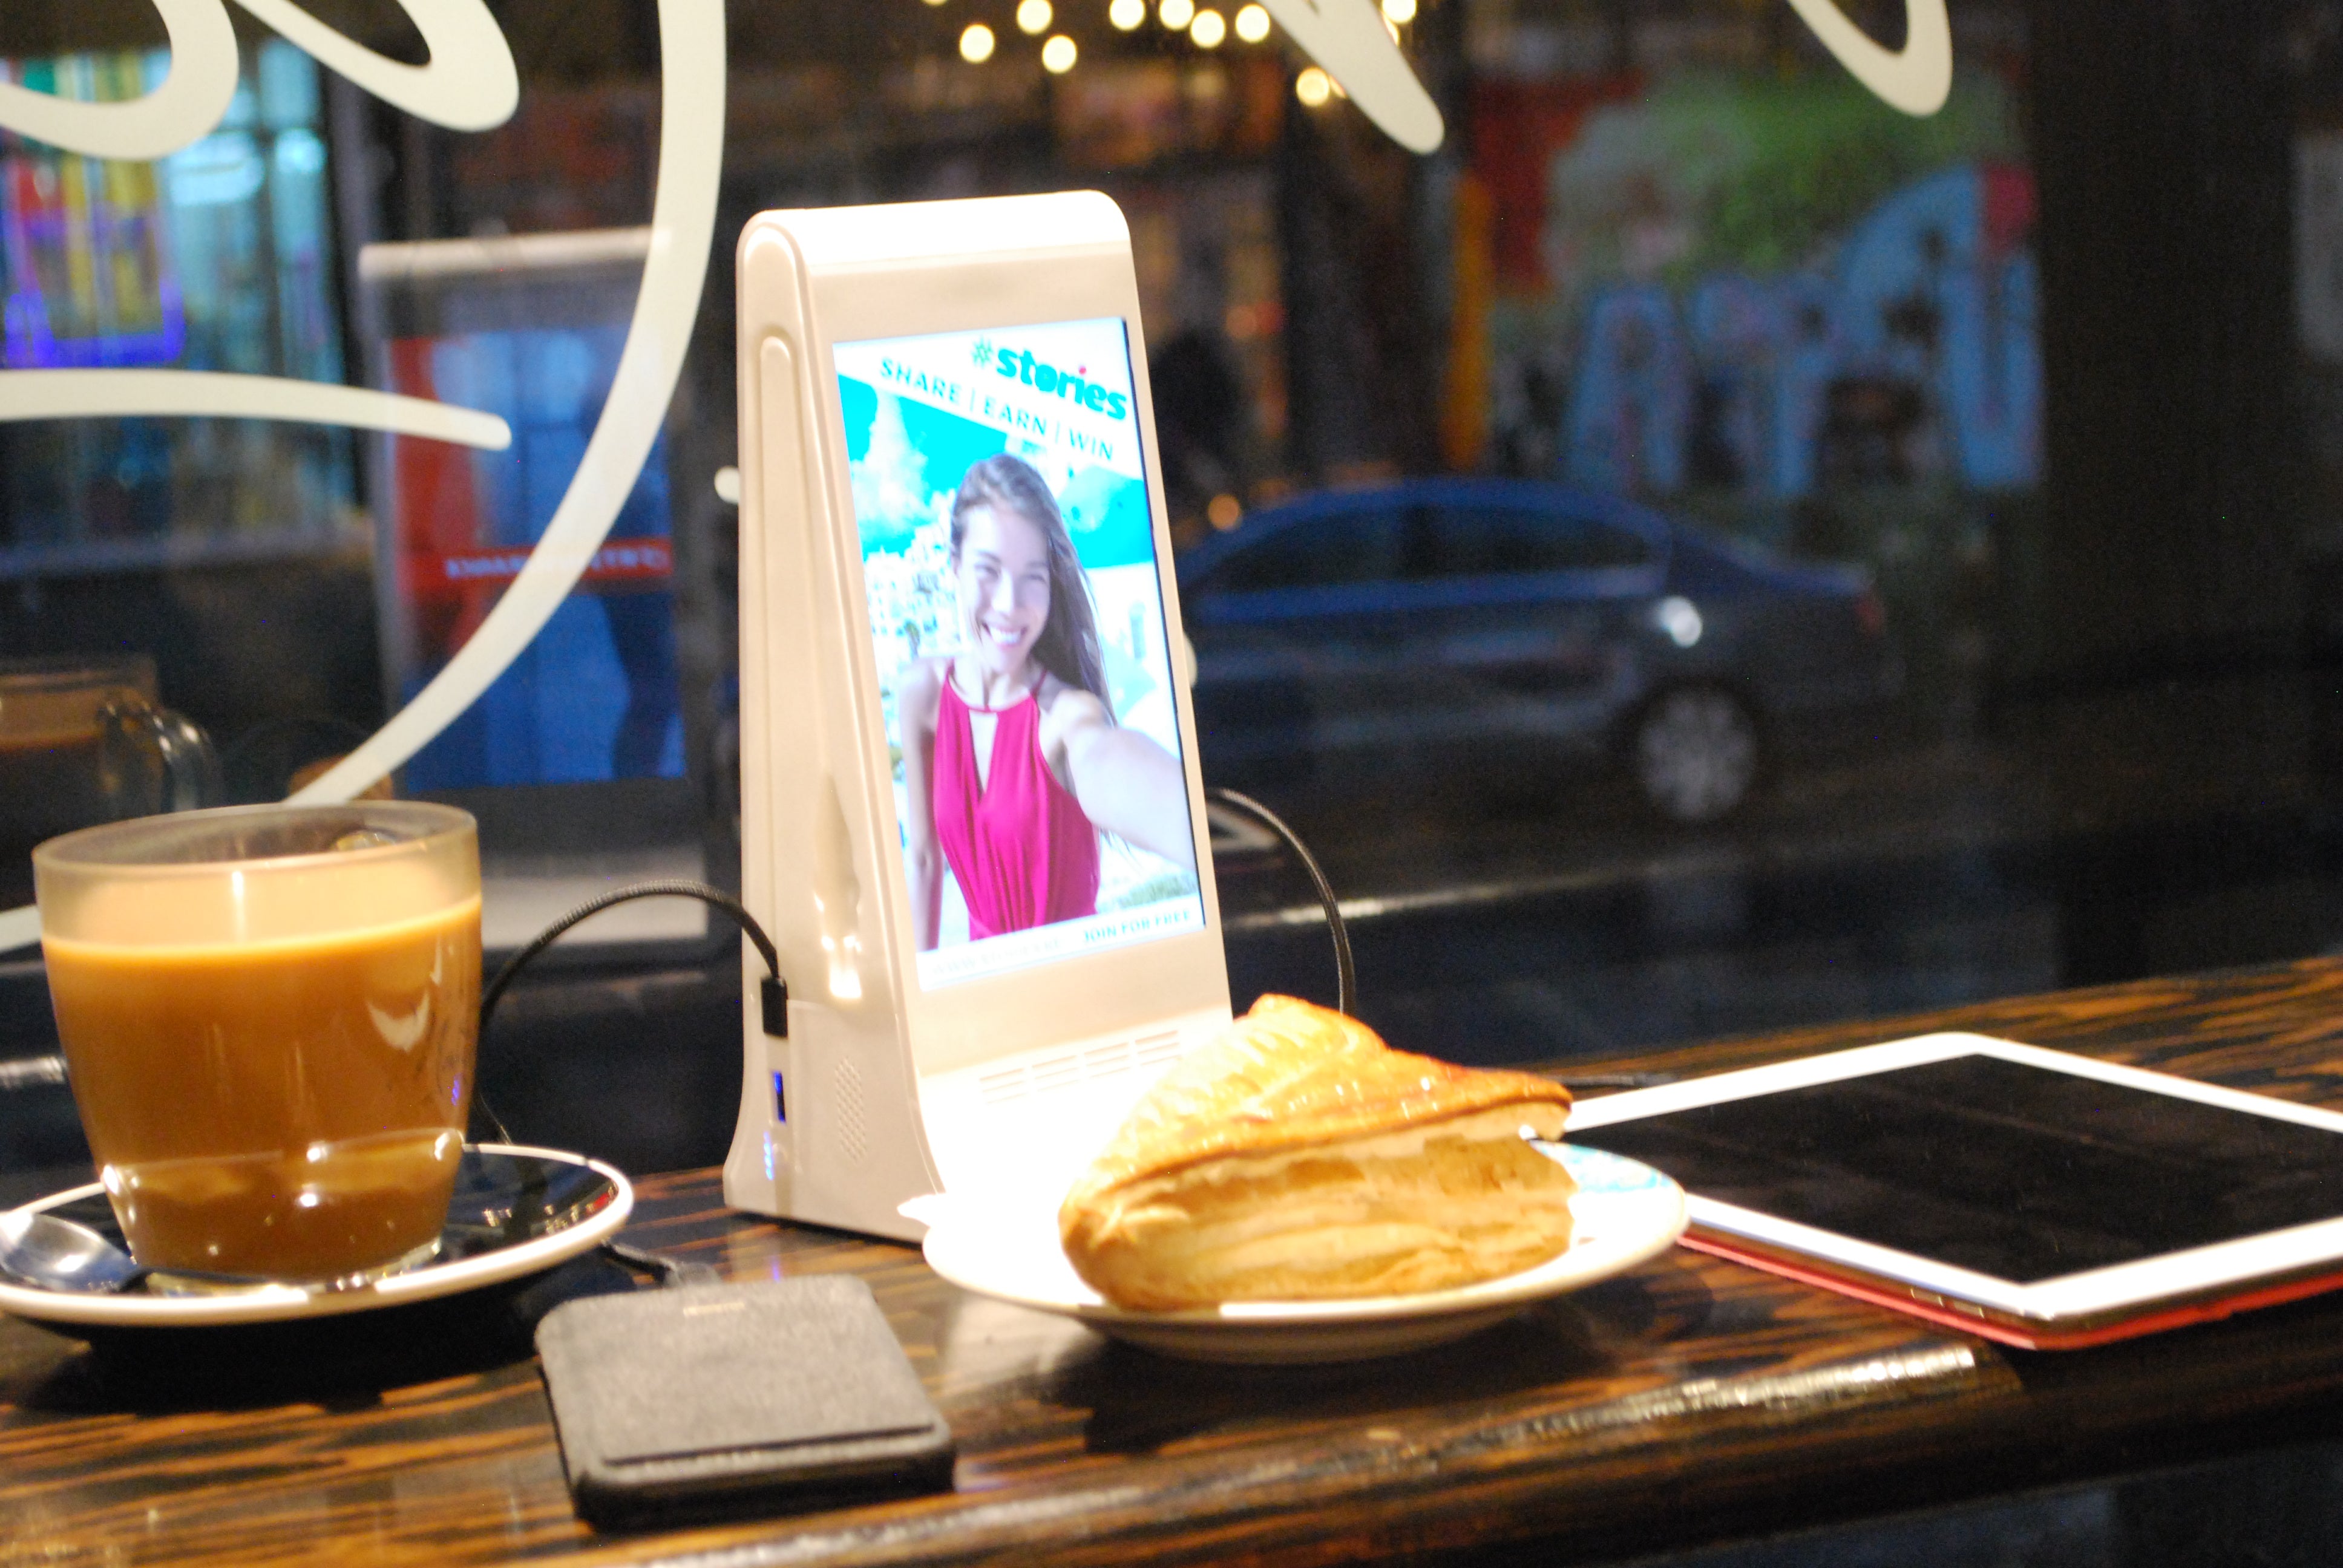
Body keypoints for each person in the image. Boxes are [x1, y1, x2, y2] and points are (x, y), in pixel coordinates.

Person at [898, 454, 1196, 950]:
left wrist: (1200, 828)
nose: (1010, 603)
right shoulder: (923, 691)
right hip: (981, 992)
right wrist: (920, 997)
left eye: (1032, 576)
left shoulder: (1066, 714)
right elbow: (925, 860)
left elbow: (1102, 757)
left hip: (1078, 991)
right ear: (954, 565)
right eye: (988, 571)